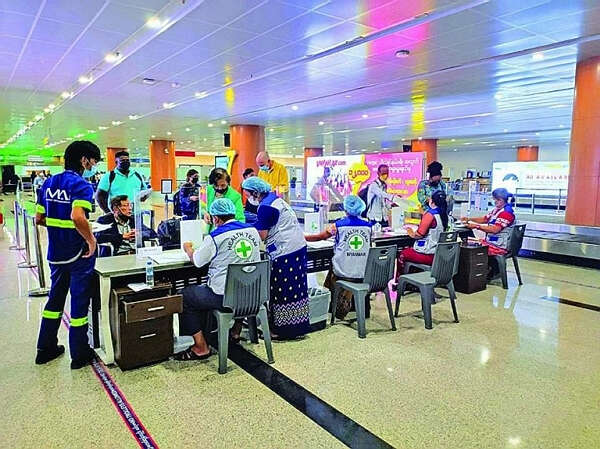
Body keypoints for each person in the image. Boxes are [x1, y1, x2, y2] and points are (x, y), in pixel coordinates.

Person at [34, 140, 100, 369]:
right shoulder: (81, 185)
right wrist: (90, 239)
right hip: (78, 254)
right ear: (84, 160)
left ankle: (45, 348)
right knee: (79, 302)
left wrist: (58, 229)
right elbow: (77, 216)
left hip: (56, 253)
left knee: (55, 299)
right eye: (93, 162)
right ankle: (79, 354)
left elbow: (39, 219)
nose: (93, 166)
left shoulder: (48, 183)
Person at [175, 198, 261, 361]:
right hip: (252, 295)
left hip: (224, 298)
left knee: (185, 295)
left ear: (215, 219)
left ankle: (201, 347)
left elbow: (197, 261)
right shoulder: (252, 230)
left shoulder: (216, 236)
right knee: (240, 281)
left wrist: (188, 249)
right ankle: (235, 331)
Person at [242, 177, 310, 339]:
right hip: (298, 247)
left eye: (248, 194)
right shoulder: (276, 200)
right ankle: (297, 327)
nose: (247, 198)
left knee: (282, 289)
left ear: (256, 193)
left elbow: (262, 235)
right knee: (297, 289)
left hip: (285, 251)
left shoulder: (265, 207)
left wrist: (245, 229)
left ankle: (281, 331)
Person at [306, 195, 372, 320]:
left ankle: (337, 304)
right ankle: (349, 302)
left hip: (343, 272)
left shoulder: (338, 225)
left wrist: (303, 237)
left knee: (332, 267)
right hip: (363, 272)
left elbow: (320, 237)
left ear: (346, 209)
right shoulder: (368, 226)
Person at [395, 190, 449, 277]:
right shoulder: (443, 214)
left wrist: (410, 232)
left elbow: (418, 235)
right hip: (438, 254)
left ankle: (400, 281)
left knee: (403, 253)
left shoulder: (430, 214)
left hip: (428, 254)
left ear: (432, 201)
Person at [463, 187, 515, 257]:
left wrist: (476, 226)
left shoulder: (506, 213)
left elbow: (495, 229)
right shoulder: (497, 209)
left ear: (504, 200)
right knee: (467, 241)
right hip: (493, 242)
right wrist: (469, 219)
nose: (495, 201)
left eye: (498, 199)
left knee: (465, 247)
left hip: (498, 247)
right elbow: (485, 219)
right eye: (494, 199)